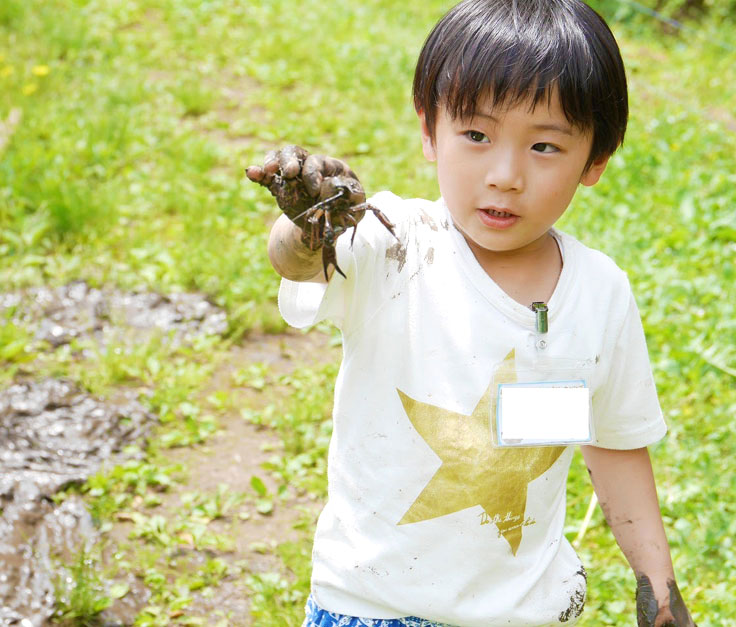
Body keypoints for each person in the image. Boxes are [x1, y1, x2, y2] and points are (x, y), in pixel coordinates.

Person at [246, 0, 697, 625]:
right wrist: (309, 222)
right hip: (373, 607)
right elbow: (296, 264)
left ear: (595, 159)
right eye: (477, 136)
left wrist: (660, 588)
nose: (505, 175)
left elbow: (616, 446)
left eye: (544, 145)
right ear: (430, 131)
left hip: (527, 612)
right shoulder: (395, 242)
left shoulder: (600, 293)